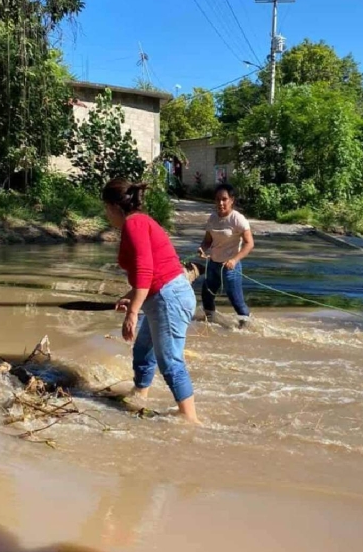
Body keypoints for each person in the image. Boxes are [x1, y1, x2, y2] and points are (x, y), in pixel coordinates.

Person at [103, 178, 198, 423]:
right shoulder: (139, 222)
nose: (106, 215)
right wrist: (130, 297)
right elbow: (152, 271)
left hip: (168, 298)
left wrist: (133, 312)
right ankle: (140, 395)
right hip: (163, 295)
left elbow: (145, 269)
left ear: (113, 206)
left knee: (170, 361)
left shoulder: (134, 224)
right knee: (144, 350)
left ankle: (190, 419)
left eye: (105, 209)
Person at [198, 183, 255, 327]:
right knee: (207, 296)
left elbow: (249, 243)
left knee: (236, 301)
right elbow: (207, 241)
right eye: (217, 199)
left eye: (224, 199)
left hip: (230, 268)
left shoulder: (238, 219)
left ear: (232, 200)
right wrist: (202, 249)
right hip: (213, 265)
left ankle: (246, 329)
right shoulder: (212, 218)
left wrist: (234, 260)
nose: (221, 203)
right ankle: (209, 325)